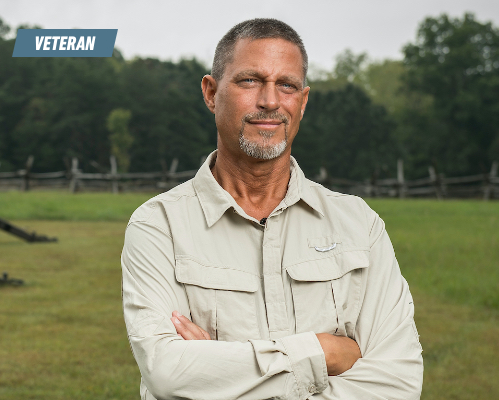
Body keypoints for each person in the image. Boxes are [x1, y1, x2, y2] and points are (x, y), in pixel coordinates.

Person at [121, 18, 423, 400]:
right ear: (211, 93)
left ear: (303, 101)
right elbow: (168, 372)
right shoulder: (158, 226)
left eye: (287, 85)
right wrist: (324, 352)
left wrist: (215, 366)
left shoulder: (359, 225)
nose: (270, 101)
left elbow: (398, 383)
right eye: (250, 81)